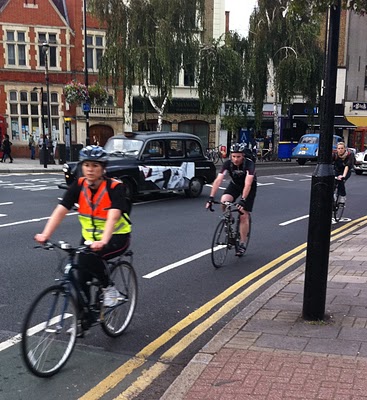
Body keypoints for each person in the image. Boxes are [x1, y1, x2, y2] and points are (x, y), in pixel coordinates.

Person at [34, 145, 131, 332]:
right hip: (89, 238)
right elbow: (61, 210)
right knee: (79, 277)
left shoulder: (115, 188)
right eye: (86, 165)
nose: (90, 169)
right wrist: (46, 234)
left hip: (117, 237)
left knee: (91, 258)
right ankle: (83, 320)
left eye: (95, 165)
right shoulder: (78, 186)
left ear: (103, 168)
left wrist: (103, 241)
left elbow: (113, 216)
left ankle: (109, 289)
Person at [206, 143, 257, 256]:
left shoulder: (249, 164)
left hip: (248, 187)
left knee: (243, 213)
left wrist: (243, 199)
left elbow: (248, 184)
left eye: (238, 157)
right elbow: (218, 180)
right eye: (233, 156)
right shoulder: (228, 164)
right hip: (235, 185)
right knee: (224, 200)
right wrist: (211, 198)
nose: (236, 159)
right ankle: (229, 217)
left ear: (243, 156)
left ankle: (242, 243)